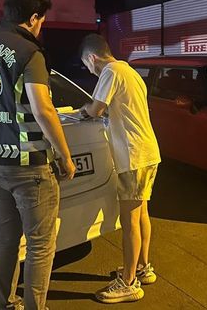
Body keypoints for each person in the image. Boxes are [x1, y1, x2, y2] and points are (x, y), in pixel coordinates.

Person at [0, 0, 76, 310]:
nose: (41, 27)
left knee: (7, 240)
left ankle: (4, 304)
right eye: (42, 20)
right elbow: (43, 109)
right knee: (41, 245)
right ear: (33, 17)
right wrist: (65, 157)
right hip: (29, 167)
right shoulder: (30, 53)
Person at [79, 34, 161, 304]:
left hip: (134, 157)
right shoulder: (129, 70)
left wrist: (85, 110)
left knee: (129, 223)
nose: (89, 70)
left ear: (92, 57)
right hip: (147, 153)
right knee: (142, 215)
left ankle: (128, 283)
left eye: (87, 65)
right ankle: (142, 267)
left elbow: (97, 108)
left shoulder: (110, 71)